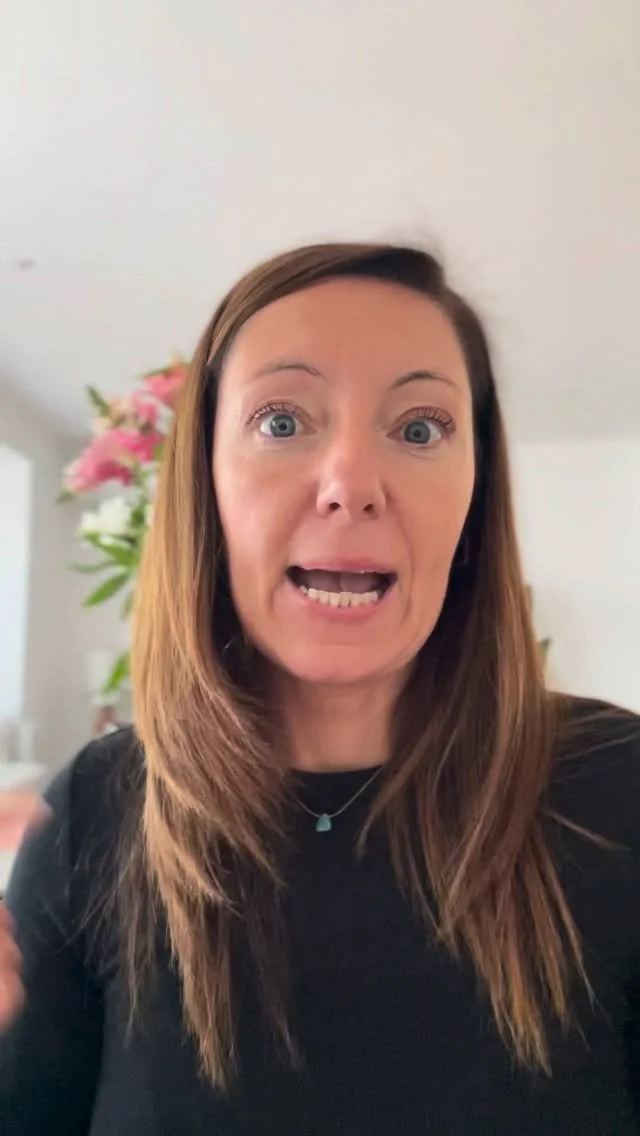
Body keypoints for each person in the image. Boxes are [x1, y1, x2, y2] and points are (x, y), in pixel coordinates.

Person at [1, 241, 639, 1135]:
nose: (351, 484)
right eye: (280, 420)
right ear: (206, 487)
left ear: (473, 502)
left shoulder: (620, 785)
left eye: (420, 429)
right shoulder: (91, 817)